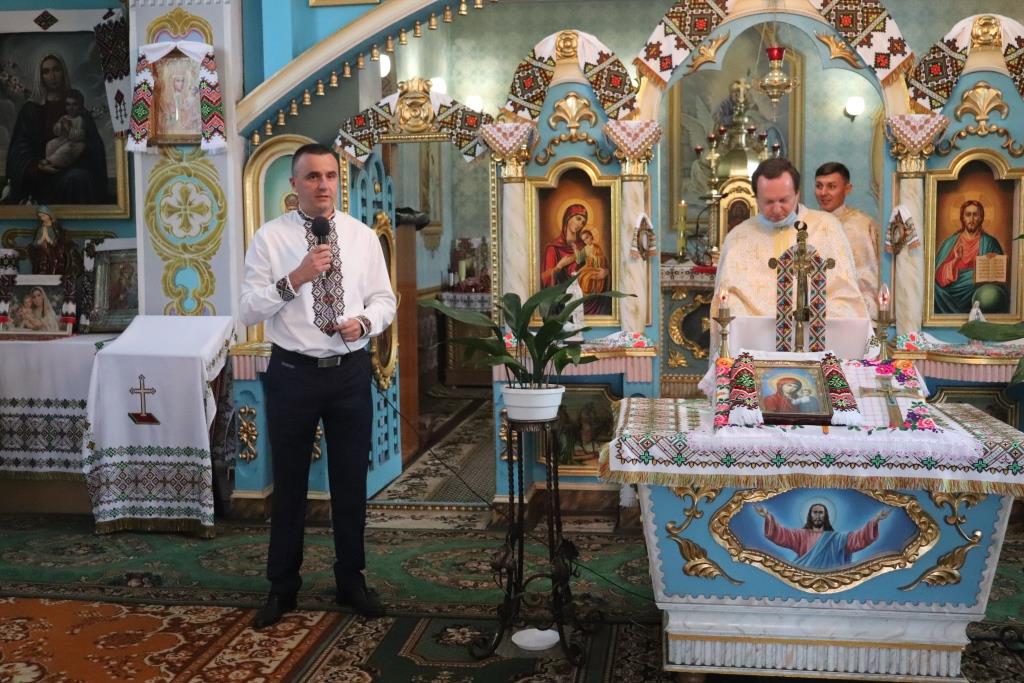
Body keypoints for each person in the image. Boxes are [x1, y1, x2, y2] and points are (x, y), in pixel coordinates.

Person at [239, 143, 397, 629]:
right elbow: (248, 308)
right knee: (289, 483)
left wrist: (364, 322)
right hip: (293, 373)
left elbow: (385, 299)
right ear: (295, 184)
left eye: (330, 175)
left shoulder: (362, 236)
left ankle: (352, 579)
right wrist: (296, 278)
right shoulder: (270, 238)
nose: (323, 184)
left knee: (350, 481)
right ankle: (282, 586)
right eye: (312, 176)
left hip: (349, 372)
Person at [712, 158, 867, 320]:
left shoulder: (827, 227)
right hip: (755, 333)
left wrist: (811, 318)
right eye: (769, 202)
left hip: (815, 330)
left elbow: (846, 294)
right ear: (756, 198)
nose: (777, 209)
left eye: (783, 200)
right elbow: (726, 298)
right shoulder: (738, 237)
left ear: (797, 194)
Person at [4, 54, 108, 205]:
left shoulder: (78, 110)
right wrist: (36, 165)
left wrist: (76, 151)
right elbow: (18, 150)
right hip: (40, 177)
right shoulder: (31, 110)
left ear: (63, 72)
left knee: (77, 178)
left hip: (70, 173)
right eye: (46, 72)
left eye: (56, 69)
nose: (52, 76)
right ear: (40, 77)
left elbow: (95, 148)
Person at [814, 162, 880, 318]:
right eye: (819, 186)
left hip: (855, 311)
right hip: (815, 311)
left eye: (831, 186)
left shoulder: (864, 225)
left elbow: (874, 275)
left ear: (847, 189)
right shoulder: (808, 224)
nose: (823, 193)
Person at [754, 503, 890, 571]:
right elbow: (781, 534)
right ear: (810, 515)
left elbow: (857, 539)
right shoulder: (800, 535)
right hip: (804, 576)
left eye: (821, 513)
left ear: (825, 516)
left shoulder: (836, 538)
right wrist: (767, 516)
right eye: (815, 512)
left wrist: (875, 520)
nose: (818, 516)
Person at [934, 200, 1007, 315]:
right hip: (949, 293)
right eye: (968, 215)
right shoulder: (951, 242)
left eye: (975, 215)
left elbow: (1000, 277)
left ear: (981, 218)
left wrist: (993, 260)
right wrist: (955, 260)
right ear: (962, 218)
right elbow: (938, 277)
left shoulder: (990, 242)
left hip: (978, 293)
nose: (971, 219)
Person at [541, 203, 586, 289]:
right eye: (578, 219)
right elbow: (544, 279)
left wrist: (605, 272)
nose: (580, 224)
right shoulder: (553, 248)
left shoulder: (583, 246)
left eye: (583, 222)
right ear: (568, 217)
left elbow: (593, 265)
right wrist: (559, 266)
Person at [44, 90, 87, 170]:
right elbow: (56, 131)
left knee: (65, 149)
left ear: (80, 106)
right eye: (68, 104)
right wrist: (59, 127)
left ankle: (51, 162)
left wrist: (69, 128)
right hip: (63, 139)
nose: (71, 108)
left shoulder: (79, 119)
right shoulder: (64, 117)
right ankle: (49, 162)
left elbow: (80, 135)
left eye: (74, 104)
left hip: (75, 143)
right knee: (50, 144)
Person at [575, 228, 610, 315]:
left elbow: (604, 261)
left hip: (597, 268)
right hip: (588, 267)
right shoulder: (585, 249)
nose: (586, 241)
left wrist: (597, 260)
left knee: (588, 278)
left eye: (587, 238)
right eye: (584, 240)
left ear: (591, 236)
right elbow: (579, 260)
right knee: (581, 276)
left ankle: (592, 294)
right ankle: (585, 297)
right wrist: (576, 250)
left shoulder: (598, 247)